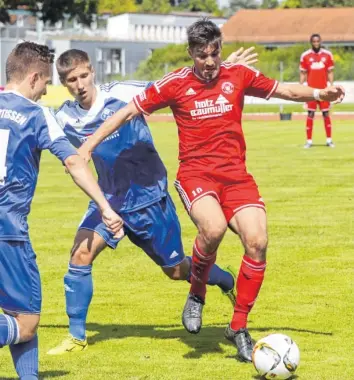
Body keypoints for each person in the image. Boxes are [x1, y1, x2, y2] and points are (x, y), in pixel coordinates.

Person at [76, 19, 344, 362]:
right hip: (196, 174)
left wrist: (321, 93)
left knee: (258, 241)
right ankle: (197, 293)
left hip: (237, 177)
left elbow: (287, 91)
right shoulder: (174, 83)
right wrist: (88, 145)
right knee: (213, 228)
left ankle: (238, 327)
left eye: (215, 52)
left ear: (220, 48)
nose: (210, 61)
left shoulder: (238, 75)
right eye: (202, 55)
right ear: (191, 53)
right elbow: (127, 112)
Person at [47, 47, 257, 355]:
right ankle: (77, 336)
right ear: (63, 83)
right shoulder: (64, 116)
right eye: (70, 80)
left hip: (150, 200)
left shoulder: (123, 91)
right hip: (109, 200)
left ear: (92, 71)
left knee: (175, 270)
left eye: (82, 76)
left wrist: (221, 68)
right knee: (80, 255)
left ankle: (223, 278)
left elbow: (179, 84)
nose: (79, 85)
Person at [0, 42, 123, 380]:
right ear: (34, 77)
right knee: (25, 323)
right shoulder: (35, 114)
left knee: (16, 312)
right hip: (7, 231)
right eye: (45, 84)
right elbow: (73, 160)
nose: (44, 92)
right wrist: (105, 207)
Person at [300, 34, 335, 148]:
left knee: (326, 114)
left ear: (320, 41)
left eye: (317, 41)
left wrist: (331, 86)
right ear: (311, 42)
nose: (316, 43)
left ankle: (329, 140)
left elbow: (330, 72)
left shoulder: (327, 55)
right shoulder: (305, 56)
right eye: (314, 41)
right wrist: (301, 87)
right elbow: (303, 73)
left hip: (324, 91)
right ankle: (309, 141)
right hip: (311, 91)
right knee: (310, 114)